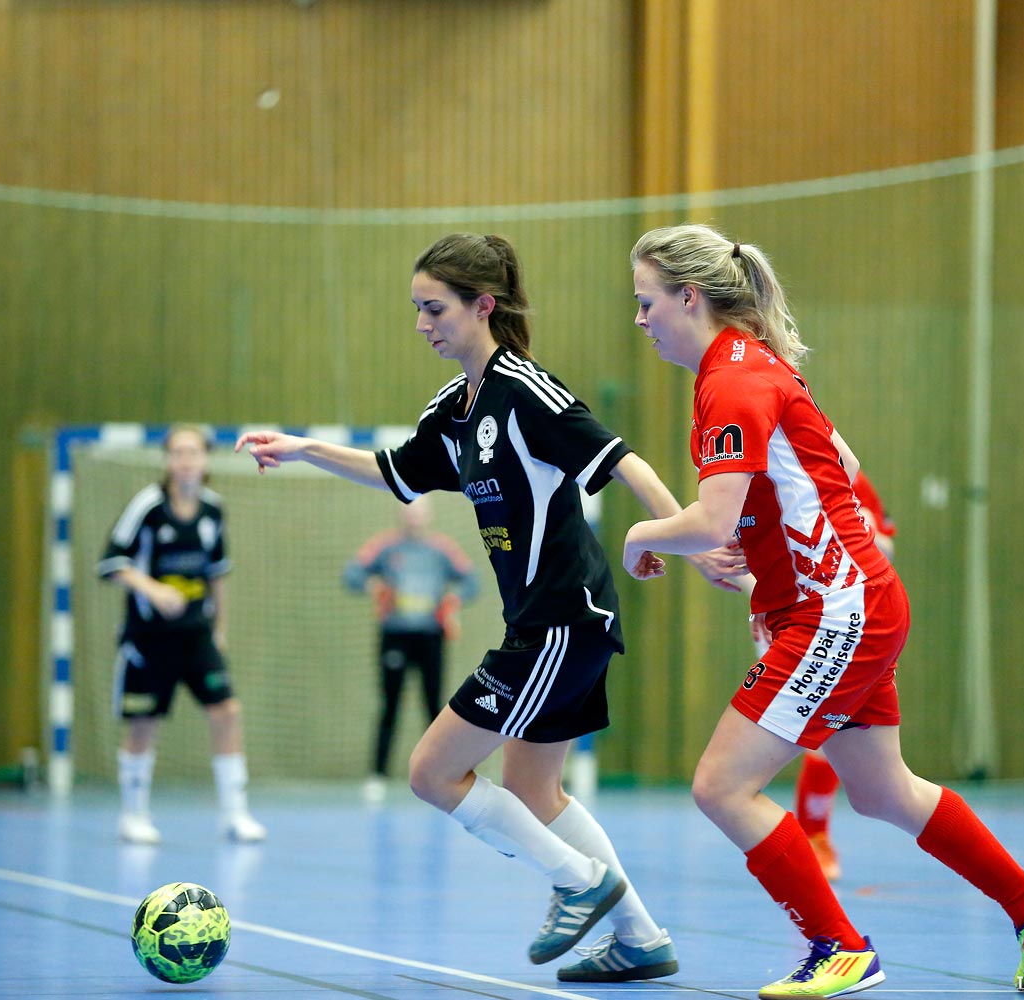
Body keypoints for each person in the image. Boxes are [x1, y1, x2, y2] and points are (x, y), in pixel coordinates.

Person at [237, 232, 742, 982]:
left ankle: (582, 883)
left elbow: (621, 461)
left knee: (431, 772)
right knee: (534, 787)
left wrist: (687, 543)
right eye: (415, 309)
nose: (421, 324)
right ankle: (640, 938)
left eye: (434, 308)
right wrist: (306, 448)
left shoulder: (526, 391)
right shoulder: (455, 407)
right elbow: (395, 472)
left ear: (484, 305)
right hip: (549, 625)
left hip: (560, 620)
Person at [622, 224, 1024, 997]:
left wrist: (642, 532)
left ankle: (840, 948)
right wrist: (769, 568)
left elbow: (709, 520)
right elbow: (837, 469)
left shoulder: (730, 380)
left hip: (835, 608)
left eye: (646, 303)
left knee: (721, 786)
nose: (640, 321)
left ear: (689, 297)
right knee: (881, 791)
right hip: (849, 598)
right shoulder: (753, 367)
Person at [97, 424, 267, 845]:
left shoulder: (213, 510)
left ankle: (235, 813)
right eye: (178, 453)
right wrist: (153, 590)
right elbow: (110, 562)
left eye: (194, 452)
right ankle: (133, 815)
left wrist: (220, 628)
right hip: (149, 639)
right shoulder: (148, 507)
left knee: (226, 712)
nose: (186, 460)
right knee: (143, 723)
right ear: (168, 461)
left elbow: (218, 574)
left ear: (205, 459)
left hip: (197, 636)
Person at [778, 470, 895, 881]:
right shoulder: (758, 475)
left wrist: (848, 529)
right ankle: (806, 837)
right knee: (726, 782)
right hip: (786, 618)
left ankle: (812, 836)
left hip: (848, 617)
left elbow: (886, 545)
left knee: (865, 770)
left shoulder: (850, 479)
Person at [344, 496, 480, 802]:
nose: (414, 516)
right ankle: (377, 775)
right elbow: (352, 573)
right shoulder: (385, 547)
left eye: (419, 511)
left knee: (435, 707)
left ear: (428, 515)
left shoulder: (441, 550)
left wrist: (453, 599)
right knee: (389, 704)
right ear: (401, 512)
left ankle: (443, 774)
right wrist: (373, 587)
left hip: (431, 637)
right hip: (395, 636)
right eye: (409, 510)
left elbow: (472, 580)